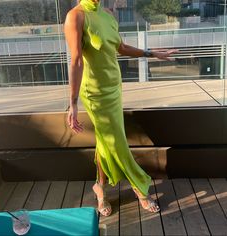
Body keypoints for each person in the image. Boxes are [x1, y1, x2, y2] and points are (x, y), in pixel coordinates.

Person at [64, 0, 177, 217]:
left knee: (105, 142)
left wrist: (151, 53)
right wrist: (73, 103)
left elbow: (121, 48)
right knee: (117, 142)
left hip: (114, 88)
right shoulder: (75, 17)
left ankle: (100, 187)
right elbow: (77, 60)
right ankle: (139, 185)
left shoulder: (107, 14)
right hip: (95, 93)